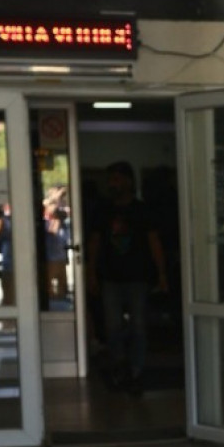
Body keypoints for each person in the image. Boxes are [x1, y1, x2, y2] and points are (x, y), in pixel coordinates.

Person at [87, 161, 167, 394]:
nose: (113, 184)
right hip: (110, 277)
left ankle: (135, 370)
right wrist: (91, 273)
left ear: (129, 181)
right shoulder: (103, 211)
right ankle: (120, 365)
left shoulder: (141, 210)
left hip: (137, 277)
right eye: (111, 180)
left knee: (138, 326)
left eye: (117, 179)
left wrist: (161, 274)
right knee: (112, 327)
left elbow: (154, 242)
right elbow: (94, 243)